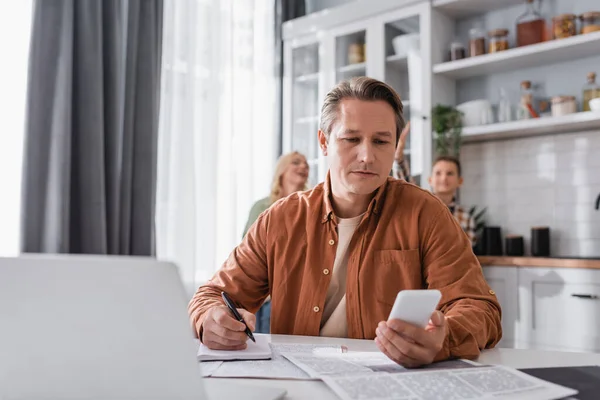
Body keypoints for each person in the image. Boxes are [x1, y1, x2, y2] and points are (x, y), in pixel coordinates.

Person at [189, 77, 501, 367]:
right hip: (300, 383)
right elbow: (211, 295)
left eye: (381, 142)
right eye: (351, 139)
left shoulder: (426, 214)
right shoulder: (280, 219)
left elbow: (480, 309)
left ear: (395, 147)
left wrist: (443, 338)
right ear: (324, 142)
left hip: (390, 384)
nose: (367, 156)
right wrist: (210, 319)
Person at [242, 151, 309, 333]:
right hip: (269, 297)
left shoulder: (313, 209)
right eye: (296, 163)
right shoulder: (262, 208)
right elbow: (248, 254)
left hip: (302, 297)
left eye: (305, 164)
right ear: (282, 171)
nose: (304, 166)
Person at [393, 125, 477, 246]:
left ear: (460, 181)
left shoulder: (466, 216)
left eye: (450, 173)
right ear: (430, 180)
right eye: (438, 173)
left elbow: (465, 250)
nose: (444, 178)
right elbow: (405, 184)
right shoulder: (420, 205)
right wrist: (399, 157)